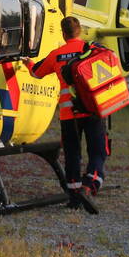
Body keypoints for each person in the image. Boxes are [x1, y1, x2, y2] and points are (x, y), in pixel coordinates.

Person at [25, 16, 108, 215]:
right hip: (92, 110)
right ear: (80, 31)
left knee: (72, 154)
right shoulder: (91, 48)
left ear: (63, 34)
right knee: (98, 151)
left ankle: (74, 196)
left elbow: (36, 73)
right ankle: (89, 186)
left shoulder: (56, 54)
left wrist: (28, 62)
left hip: (69, 115)